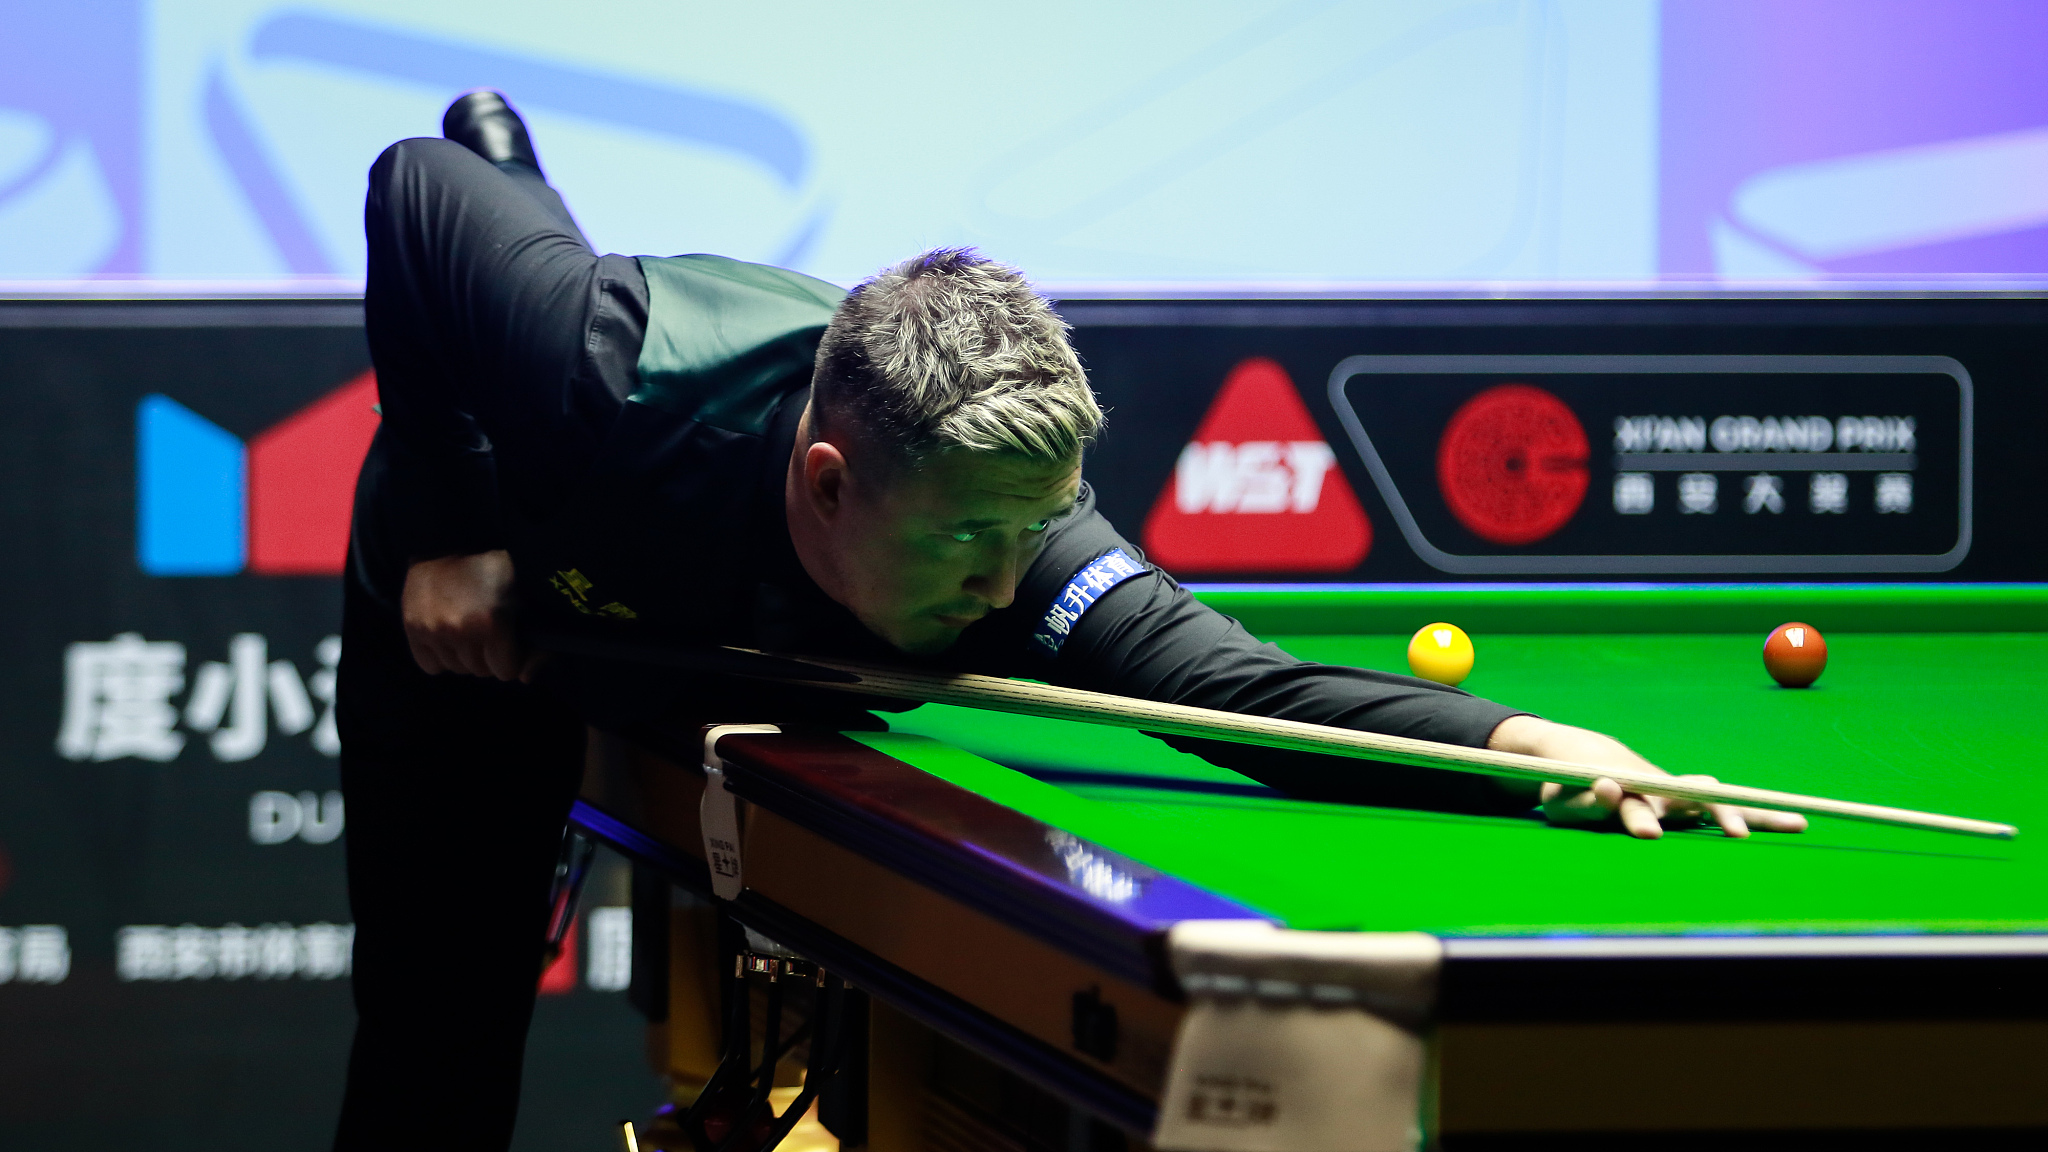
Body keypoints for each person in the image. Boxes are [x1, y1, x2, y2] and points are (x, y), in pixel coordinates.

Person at [335, 90, 1806, 1149]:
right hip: (518, 583)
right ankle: (514, 151)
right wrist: (453, 533)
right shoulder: (605, 364)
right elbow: (411, 189)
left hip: (720, 603)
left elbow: (1246, 697)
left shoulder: (1022, 536)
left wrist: (1526, 743)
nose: (1004, 583)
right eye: (970, 540)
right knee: (438, 1040)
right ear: (834, 482)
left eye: (1030, 528)